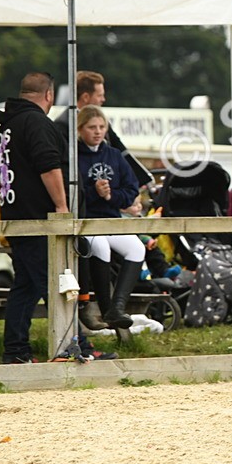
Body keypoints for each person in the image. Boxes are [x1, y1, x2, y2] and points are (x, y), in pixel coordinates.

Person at [0, 73, 116, 363]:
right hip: (40, 220)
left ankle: (16, 351)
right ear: (49, 95)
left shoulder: (7, 125)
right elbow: (49, 166)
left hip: (16, 216)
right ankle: (75, 346)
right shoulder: (36, 122)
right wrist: (62, 207)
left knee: (27, 286)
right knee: (58, 286)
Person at [76, 105, 145, 330]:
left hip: (111, 219)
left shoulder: (114, 155)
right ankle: (106, 309)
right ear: (80, 129)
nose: (97, 131)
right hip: (87, 223)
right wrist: (94, 191)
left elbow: (131, 189)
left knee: (137, 248)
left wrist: (110, 195)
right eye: (91, 127)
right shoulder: (74, 155)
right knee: (101, 247)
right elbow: (73, 192)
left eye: (102, 127)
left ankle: (117, 306)